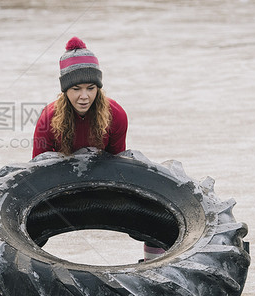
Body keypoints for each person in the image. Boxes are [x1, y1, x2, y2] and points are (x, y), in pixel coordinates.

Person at [32, 37, 165, 262]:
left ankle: (154, 266)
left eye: (90, 88)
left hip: (103, 184)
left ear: (98, 88)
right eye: (76, 88)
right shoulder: (48, 118)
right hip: (61, 188)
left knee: (159, 216)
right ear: (65, 90)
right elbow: (38, 169)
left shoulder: (116, 115)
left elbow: (118, 163)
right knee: (29, 221)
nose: (84, 96)